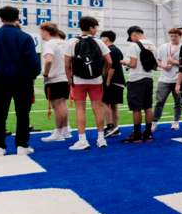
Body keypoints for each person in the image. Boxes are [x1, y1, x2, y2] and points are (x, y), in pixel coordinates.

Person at [0, 6, 40, 156]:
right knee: (23, 114)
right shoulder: (24, 37)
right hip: (22, 81)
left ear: (0, 18)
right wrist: (33, 75)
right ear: (18, 18)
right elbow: (33, 62)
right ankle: (22, 146)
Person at [65, 15, 112, 151]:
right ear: (91, 28)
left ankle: (82, 140)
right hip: (96, 80)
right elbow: (109, 61)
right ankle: (101, 139)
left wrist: (70, 80)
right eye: (95, 27)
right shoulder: (99, 42)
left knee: (80, 109)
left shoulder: (72, 42)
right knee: (97, 108)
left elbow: (67, 64)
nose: (96, 30)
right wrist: (102, 73)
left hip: (78, 81)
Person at [122, 26, 156, 143]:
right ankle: (148, 133)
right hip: (148, 78)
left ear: (134, 34)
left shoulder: (134, 45)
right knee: (148, 107)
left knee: (136, 109)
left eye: (131, 37)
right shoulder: (152, 45)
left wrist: (124, 62)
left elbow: (133, 64)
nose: (131, 39)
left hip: (136, 79)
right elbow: (154, 64)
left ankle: (137, 134)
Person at [40, 23, 70, 142]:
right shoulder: (65, 43)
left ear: (46, 31)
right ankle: (65, 130)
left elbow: (48, 60)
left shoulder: (49, 44)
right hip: (64, 78)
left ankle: (58, 132)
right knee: (63, 105)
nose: (40, 34)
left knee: (57, 106)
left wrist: (46, 74)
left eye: (41, 31)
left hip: (54, 78)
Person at [153, 28, 182, 132]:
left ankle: (176, 122)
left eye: (175, 36)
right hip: (164, 79)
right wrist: (163, 66)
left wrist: (173, 62)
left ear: (180, 36)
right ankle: (154, 122)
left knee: (178, 103)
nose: (173, 38)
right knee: (159, 101)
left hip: (178, 79)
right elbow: (158, 60)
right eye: (171, 36)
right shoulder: (163, 47)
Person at [100, 30, 125, 138]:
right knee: (114, 106)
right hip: (118, 81)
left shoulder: (111, 50)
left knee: (105, 102)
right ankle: (115, 128)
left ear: (106, 39)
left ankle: (110, 127)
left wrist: (107, 81)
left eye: (102, 38)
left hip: (113, 81)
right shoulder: (117, 50)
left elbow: (112, 67)